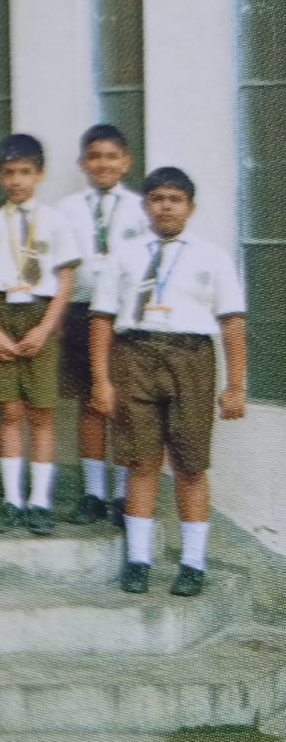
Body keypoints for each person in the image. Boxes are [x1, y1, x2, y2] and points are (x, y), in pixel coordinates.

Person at [90, 168, 247, 597]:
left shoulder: (212, 257)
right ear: (146, 205)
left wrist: (236, 385)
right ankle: (139, 560)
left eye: (175, 199)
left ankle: (193, 563)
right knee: (141, 462)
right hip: (134, 355)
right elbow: (102, 319)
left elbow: (232, 322)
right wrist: (102, 380)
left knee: (190, 465)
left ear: (190, 207)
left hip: (190, 358)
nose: (166, 207)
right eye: (158, 198)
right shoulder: (124, 256)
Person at [0, 133, 81, 535]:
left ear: (40, 174)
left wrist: (46, 328)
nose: (17, 180)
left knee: (42, 413)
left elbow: (66, 281)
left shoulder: (56, 222)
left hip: (40, 317)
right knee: (10, 413)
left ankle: (40, 502)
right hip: (3, 315)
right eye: (9, 173)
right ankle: (13, 500)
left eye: (25, 172)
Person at [59, 124, 149, 526]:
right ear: (83, 162)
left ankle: (123, 495)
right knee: (92, 401)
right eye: (95, 156)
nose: (103, 164)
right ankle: (94, 492)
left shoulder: (141, 208)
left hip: (125, 316)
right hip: (82, 311)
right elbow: (59, 266)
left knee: (126, 404)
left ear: (126, 162)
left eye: (112, 156)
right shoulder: (67, 209)